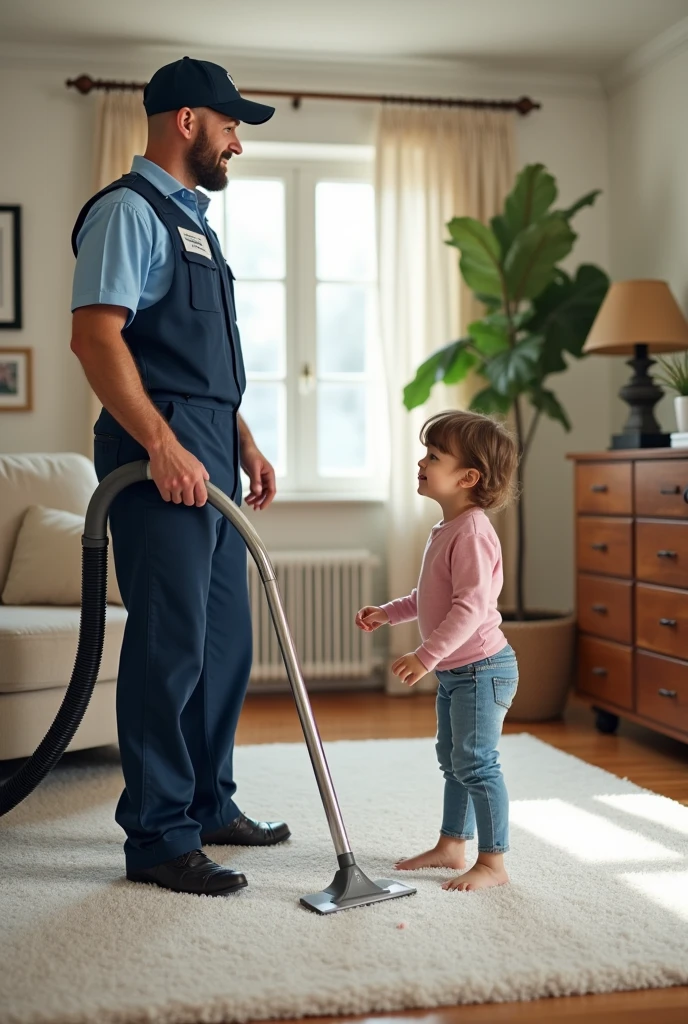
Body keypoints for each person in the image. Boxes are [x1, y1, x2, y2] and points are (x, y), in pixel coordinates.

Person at [70, 57, 290, 897]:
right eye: (232, 125)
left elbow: (191, 359)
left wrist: (242, 438)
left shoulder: (193, 221)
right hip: (155, 459)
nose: (238, 143)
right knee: (169, 648)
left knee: (222, 645)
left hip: (207, 452)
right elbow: (98, 338)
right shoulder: (129, 212)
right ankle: (159, 836)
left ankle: (207, 801)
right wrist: (162, 445)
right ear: (188, 120)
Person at [355, 410, 519, 892]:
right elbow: (430, 598)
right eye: (425, 453)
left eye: (434, 456)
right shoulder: (447, 529)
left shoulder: (471, 532)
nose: (421, 462)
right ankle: (452, 845)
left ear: (468, 477)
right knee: (453, 759)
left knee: (476, 762)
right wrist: (388, 612)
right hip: (459, 671)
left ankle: (493, 862)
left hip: (482, 669)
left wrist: (424, 656)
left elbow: (470, 609)